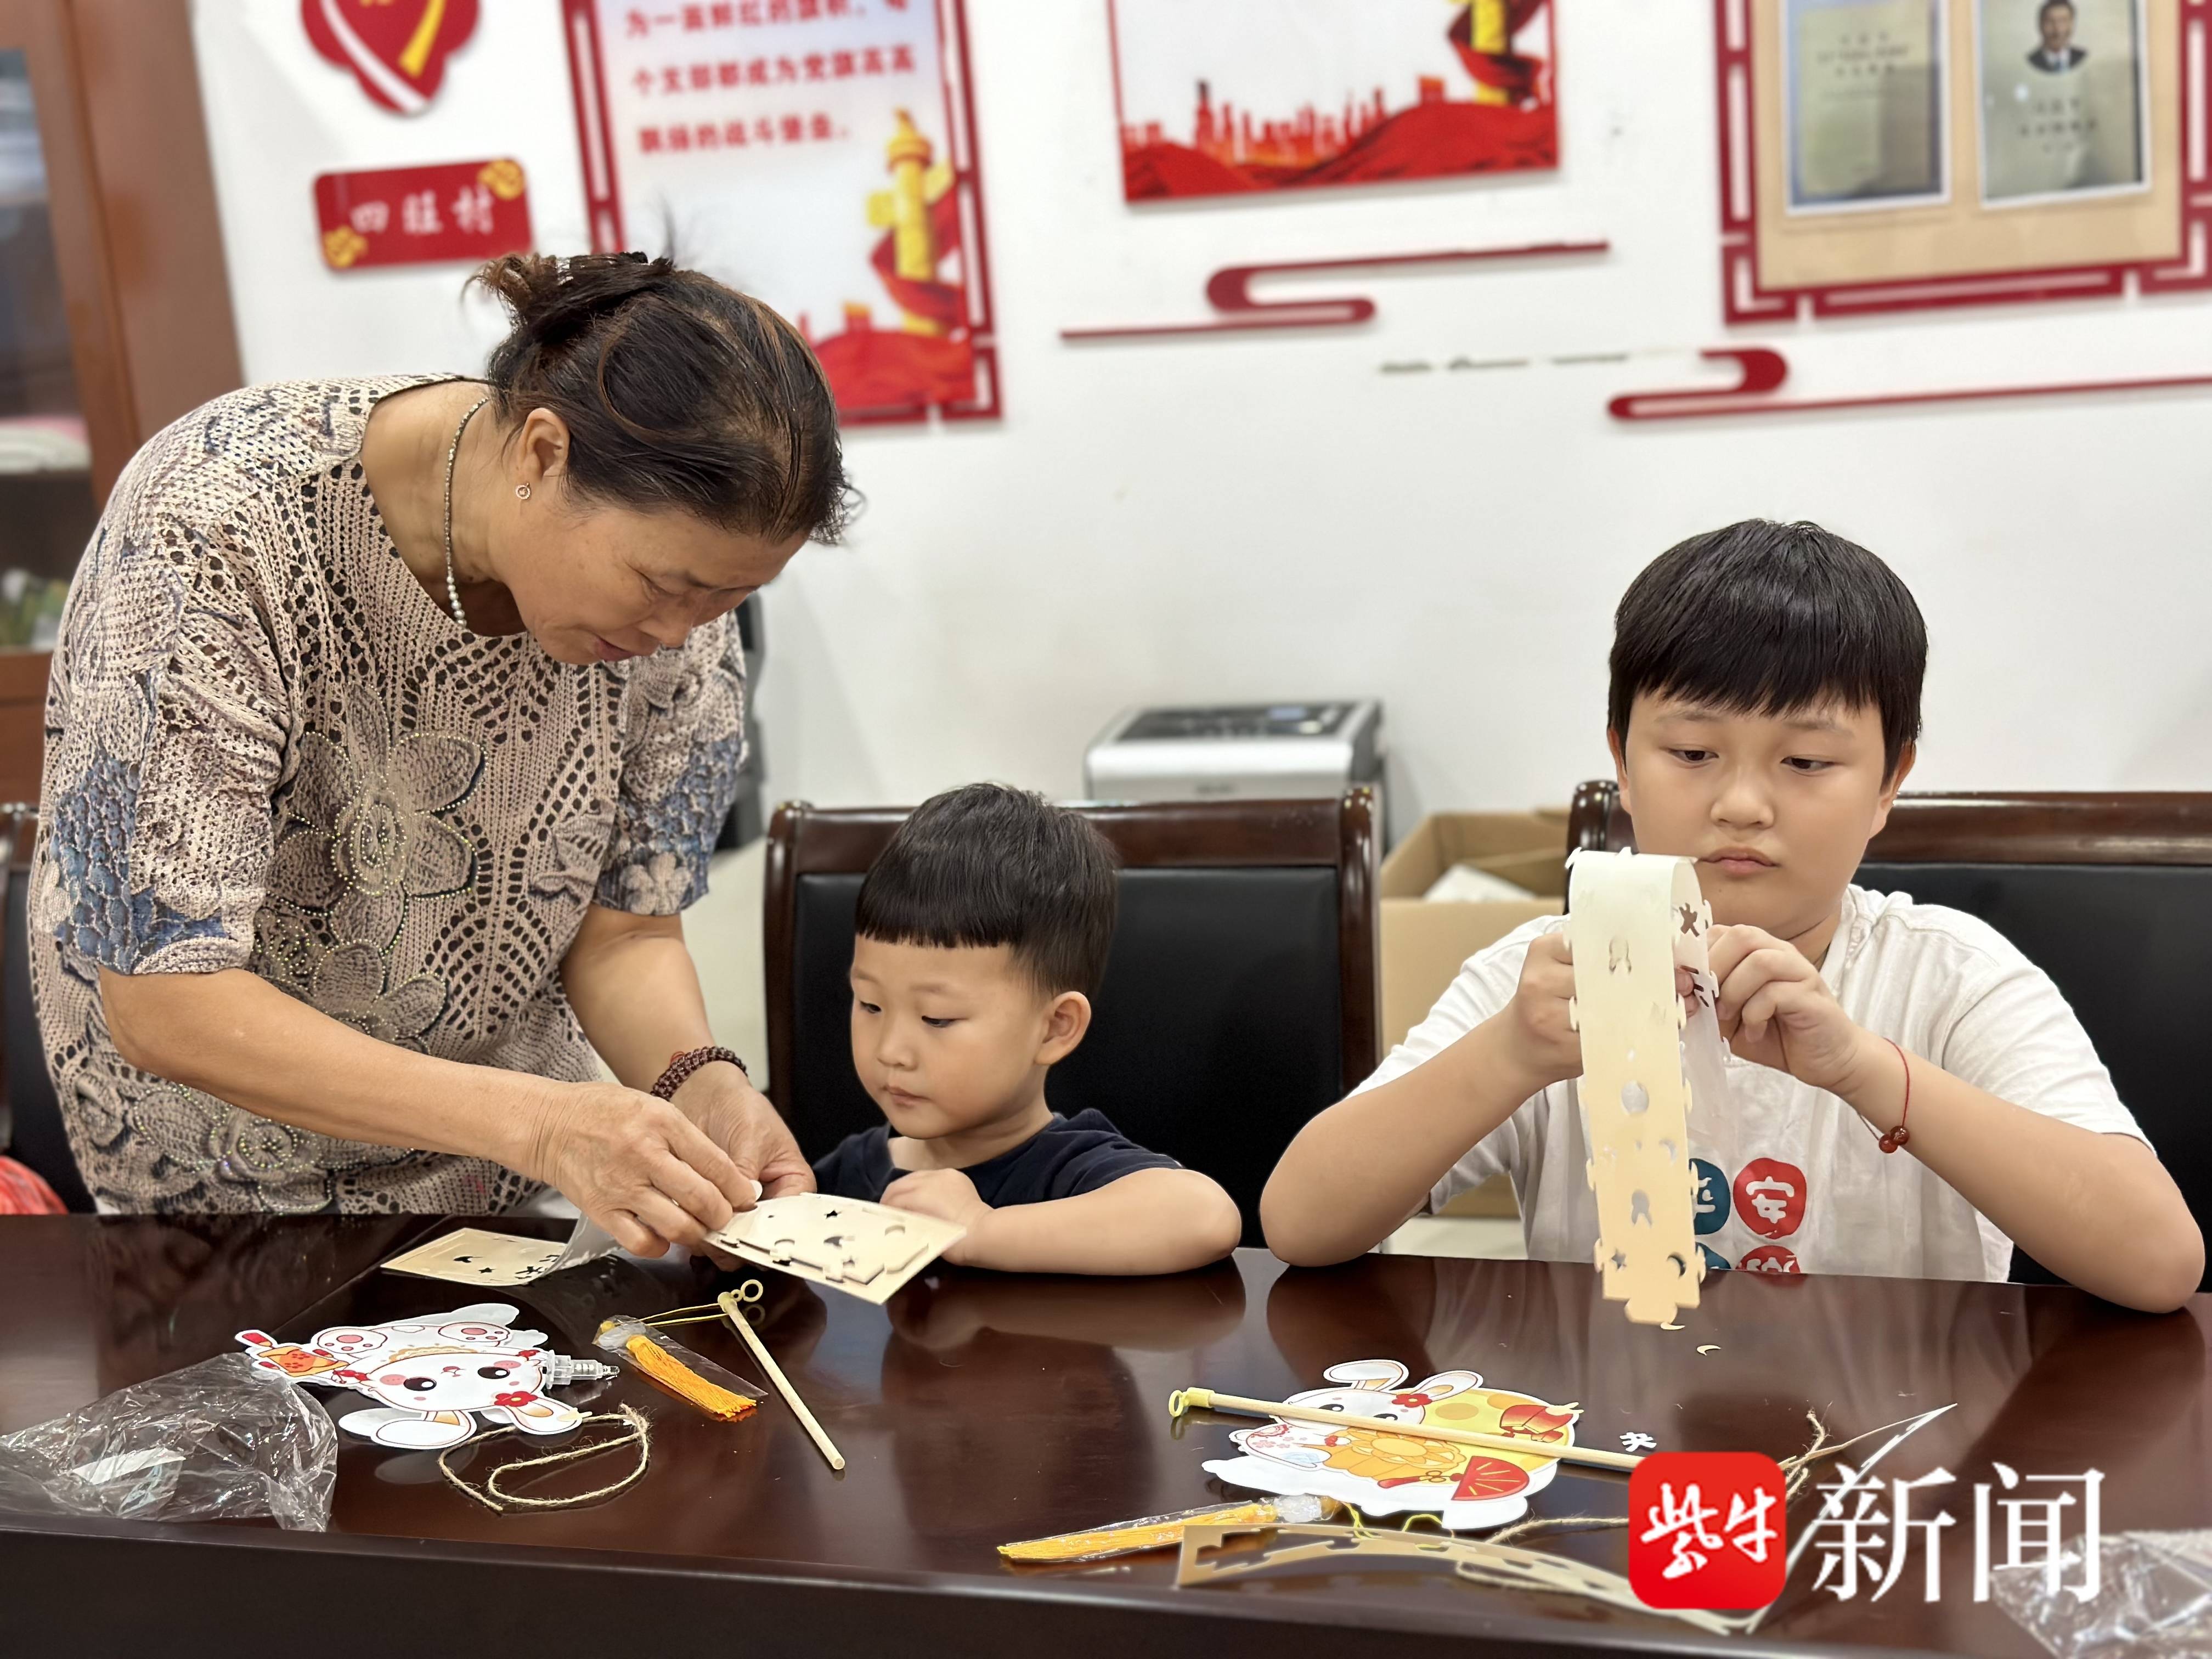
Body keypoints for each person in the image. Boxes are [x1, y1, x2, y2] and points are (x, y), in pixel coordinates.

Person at [34, 252, 844, 1256]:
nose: (679, 635)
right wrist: (544, 1124)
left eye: (726, 600)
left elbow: (626, 932)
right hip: (226, 1205)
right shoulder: (217, 528)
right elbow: (167, 1000)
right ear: (543, 453)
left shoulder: (680, 623)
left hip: (508, 1192)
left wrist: (700, 1083)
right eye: (663, 585)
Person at [1262, 520, 2203, 1313]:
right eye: (1692, 752)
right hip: (1614, 1444)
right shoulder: (1547, 976)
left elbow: (2157, 1262)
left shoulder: (1951, 976)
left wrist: (1864, 1067)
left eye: (1806, 762)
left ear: (1889, 783)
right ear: (1622, 763)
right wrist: (1510, 1053)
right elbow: (1301, 1222)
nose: (1743, 804)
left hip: (1894, 1447)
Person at [811, 783, 1243, 1274]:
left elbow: (1205, 1218)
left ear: (1055, 1028)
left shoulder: (1068, 1170)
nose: (891, 1051)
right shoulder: (852, 1170)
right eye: (870, 1005)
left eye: (937, 1018)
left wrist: (979, 1229)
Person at [2029, 0, 2086, 71]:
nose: (2057, 29)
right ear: (2041, 25)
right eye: (2050, 21)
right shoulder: (2031, 61)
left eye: (2063, 21)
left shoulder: (2082, 57)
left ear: (2071, 24)